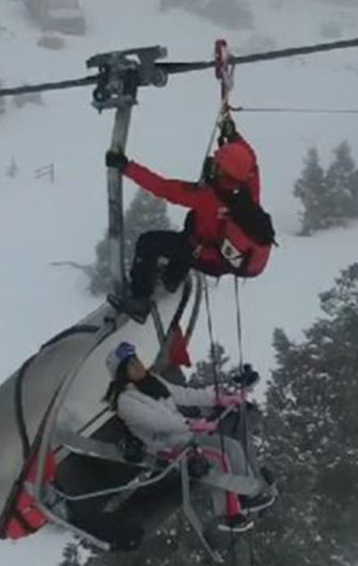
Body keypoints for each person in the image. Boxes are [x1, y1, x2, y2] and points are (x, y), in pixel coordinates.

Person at [105, 114, 277, 324]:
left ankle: (140, 300)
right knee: (189, 233)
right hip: (223, 257)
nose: (212, 166)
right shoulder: (249, 186)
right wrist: (233, 136)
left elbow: (163, 187)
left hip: (208, 257)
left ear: (223, 173)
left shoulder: (206, 197)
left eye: (217, 166)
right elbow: (250, 159)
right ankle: (172, 278)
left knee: (149, 243)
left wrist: (126, 167)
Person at [104, 342, 273, 531]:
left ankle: (248, 497)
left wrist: (217, 399)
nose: (138, 366)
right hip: (167, 448)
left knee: (231, 446)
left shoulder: (152, 383)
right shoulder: (126, 401)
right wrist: (190, 424)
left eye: (137, 360)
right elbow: (158, 422)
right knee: (218, 458)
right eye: (131, 365)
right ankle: (228, 514)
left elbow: (184, 394)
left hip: (186, 436)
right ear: (122, 373)